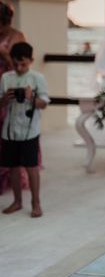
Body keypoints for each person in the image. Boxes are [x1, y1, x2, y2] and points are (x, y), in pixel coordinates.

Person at [0, 42, 50, 218]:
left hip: (30, 130)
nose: (19, 68)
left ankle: (36, 204)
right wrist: (5, 99)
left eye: (23, 64)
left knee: (31, 167)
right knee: (13, 167)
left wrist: (32, 97)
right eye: (15, 64)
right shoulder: (6, 78)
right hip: (9, 130)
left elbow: (43, 104)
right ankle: (17, 201)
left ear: (31, 60)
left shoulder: (38, 78)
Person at [0, 0, 27, 194]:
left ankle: (9, 176)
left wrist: (5, 55)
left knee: (7, 129)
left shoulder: (17, 36)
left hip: (8, 84)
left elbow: (22, 67)